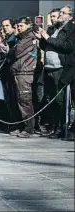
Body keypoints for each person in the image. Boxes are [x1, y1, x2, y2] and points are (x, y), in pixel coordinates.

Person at [36, 5, 75, 140]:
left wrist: (47, 37)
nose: (59, 16)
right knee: (50, 99)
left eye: (63, 13)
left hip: (60, 68)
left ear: (70, 16)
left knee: (60, 101)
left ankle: (61, 128)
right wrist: (41, 38)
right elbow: (46, 45)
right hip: (48, 68)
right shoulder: (55, 29)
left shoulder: (70, 29)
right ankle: (53, 127)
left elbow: (66, 46)